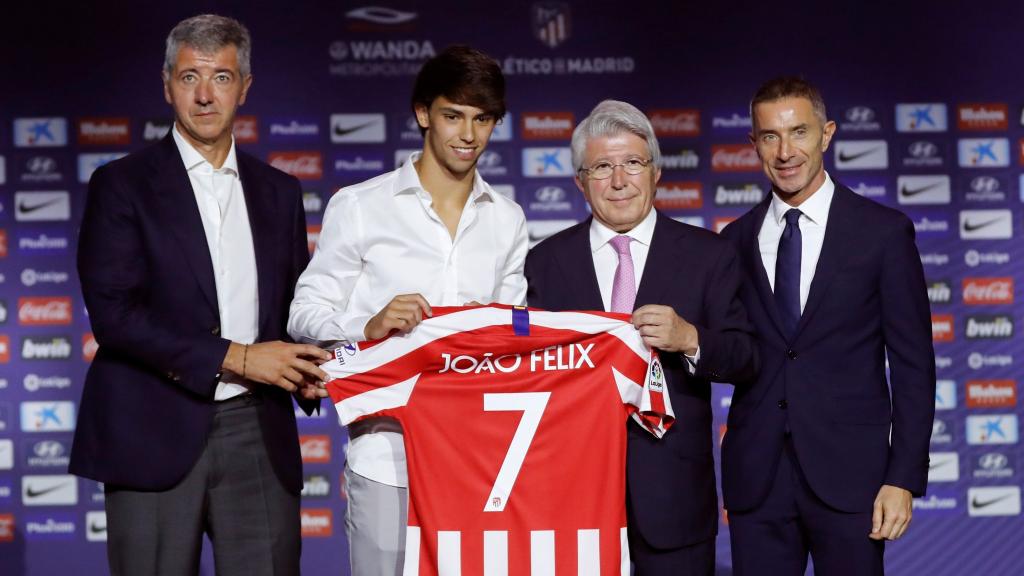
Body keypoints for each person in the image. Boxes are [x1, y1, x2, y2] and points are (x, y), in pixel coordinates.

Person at [70, 14, 331, 576]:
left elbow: (291, 307)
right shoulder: (121, 184)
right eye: (190, 77)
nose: (206, 95)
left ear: (245, 87)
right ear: (167, 86)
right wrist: (236, 357)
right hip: (152, 430)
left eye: (222, 77)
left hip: (257, 433)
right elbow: (115, 316)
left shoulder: (280, 192)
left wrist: (310, 360)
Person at [288, 45, 527, 576]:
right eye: (453, 116)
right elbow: (304, 311)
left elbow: (514, 334)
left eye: (483, 119)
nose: (468, 135)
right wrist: (366, 327)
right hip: (386, 456)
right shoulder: (360, 206)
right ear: (423, 114)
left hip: (480, 460)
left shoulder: (507, 219)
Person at [525, 100, 757, 575]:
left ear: (655, 173)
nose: (618, 180)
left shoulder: (709, 255)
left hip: (674, 504)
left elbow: (746, 357)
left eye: (632, 163)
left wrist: (691, 338)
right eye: (601, 167)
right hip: (570, 499)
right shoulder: (544, 262)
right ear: (579, 182)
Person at [719, 77, 935, 575]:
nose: (785, 150)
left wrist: (902, 479)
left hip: (853, 479)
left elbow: (913, 366)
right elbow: (730, 350)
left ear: (827, 134)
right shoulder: (733, 240)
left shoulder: (882, 233)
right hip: (758, 481)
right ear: (753, 144)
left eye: (799, 132)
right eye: (770, 136)